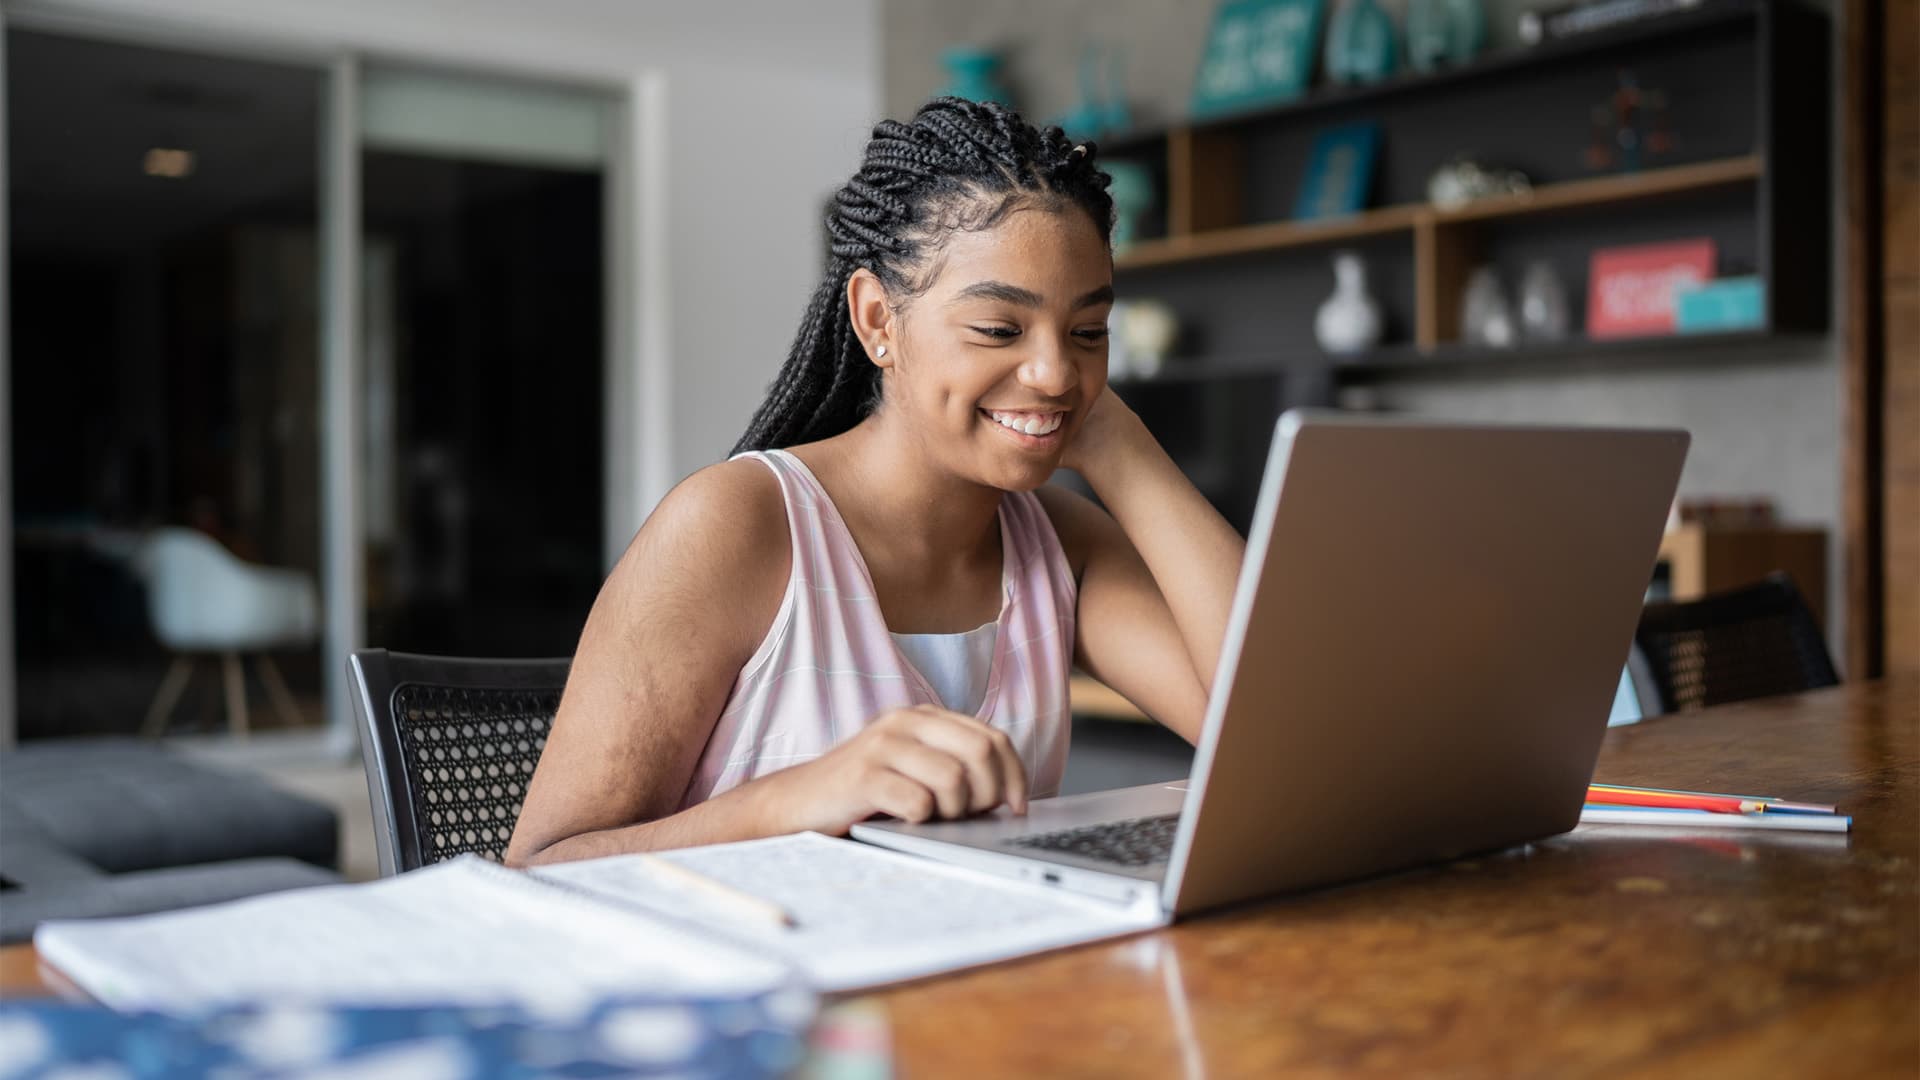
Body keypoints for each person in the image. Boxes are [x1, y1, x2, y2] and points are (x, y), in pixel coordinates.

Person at [505, 98, 1244, 867]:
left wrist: (1125, 449)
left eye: (1089, 332)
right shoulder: (736, 525)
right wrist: (801, 797)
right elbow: (540, 868)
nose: (1056, 372)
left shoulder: (1060, 543)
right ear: (878, 321)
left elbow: (1269, 734)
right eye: (998, 328)